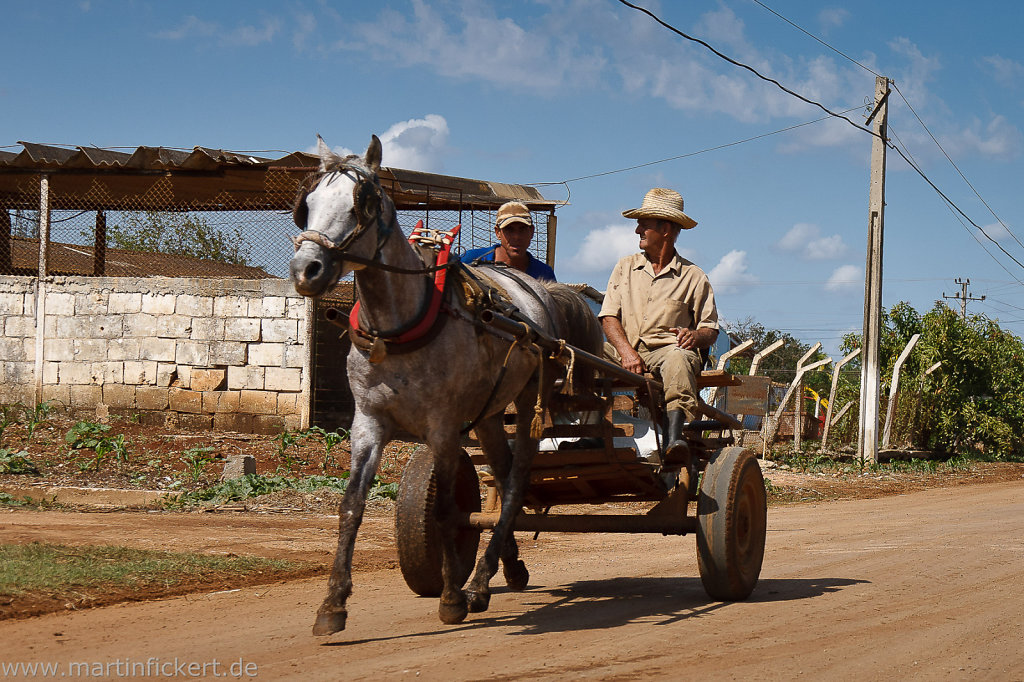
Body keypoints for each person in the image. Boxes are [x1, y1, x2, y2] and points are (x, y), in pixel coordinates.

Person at [599, 187, 718, 458]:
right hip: (622, 352)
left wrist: (695, 337)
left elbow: (710, 329)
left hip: (664, 353)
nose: (637, 230)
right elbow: (608, 317)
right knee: (580, 356)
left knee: (680, 357)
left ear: (665, 229)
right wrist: (626, 351)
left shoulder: (694, 276)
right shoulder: (624, 267)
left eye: (644, 224)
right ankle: (587, 432)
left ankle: (675, 439)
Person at [462, 201, 556, 281]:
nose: (516, 237)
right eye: (509, 229)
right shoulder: (470, 260)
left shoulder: (544, 274)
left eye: (522, 229)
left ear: (531, 232)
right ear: (498, 232)